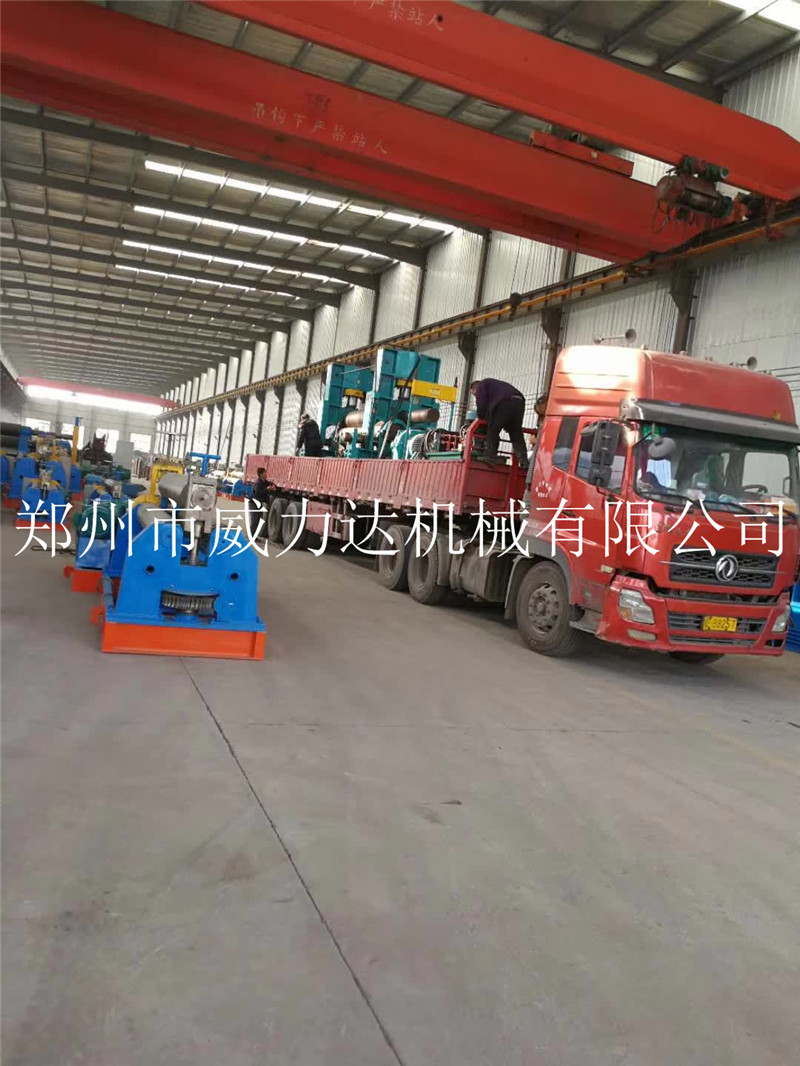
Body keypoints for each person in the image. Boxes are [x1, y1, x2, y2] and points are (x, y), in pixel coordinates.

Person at [470, 378, 528, 469]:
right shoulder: (495, 386)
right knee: (516, 434)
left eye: (474, 394)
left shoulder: (481, 385)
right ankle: (524, 462)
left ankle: (490, 458)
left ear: (474, 389)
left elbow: (482, 404)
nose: (476, 396)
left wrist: (481, 418)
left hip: (505, 403)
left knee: (493, 430)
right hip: (519, 402)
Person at [250, 466, 273, 538]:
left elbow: (271, 484)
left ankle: (254, 536)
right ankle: (251, 537)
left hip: (259, 503)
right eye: (265, 473)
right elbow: (257, 493)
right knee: (255, 520)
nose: (266, 474)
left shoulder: (265, 482)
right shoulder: (258, 483)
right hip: (253, 503)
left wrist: (273, 487)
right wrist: (267, 489)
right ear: (261, 474)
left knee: (258, 520)